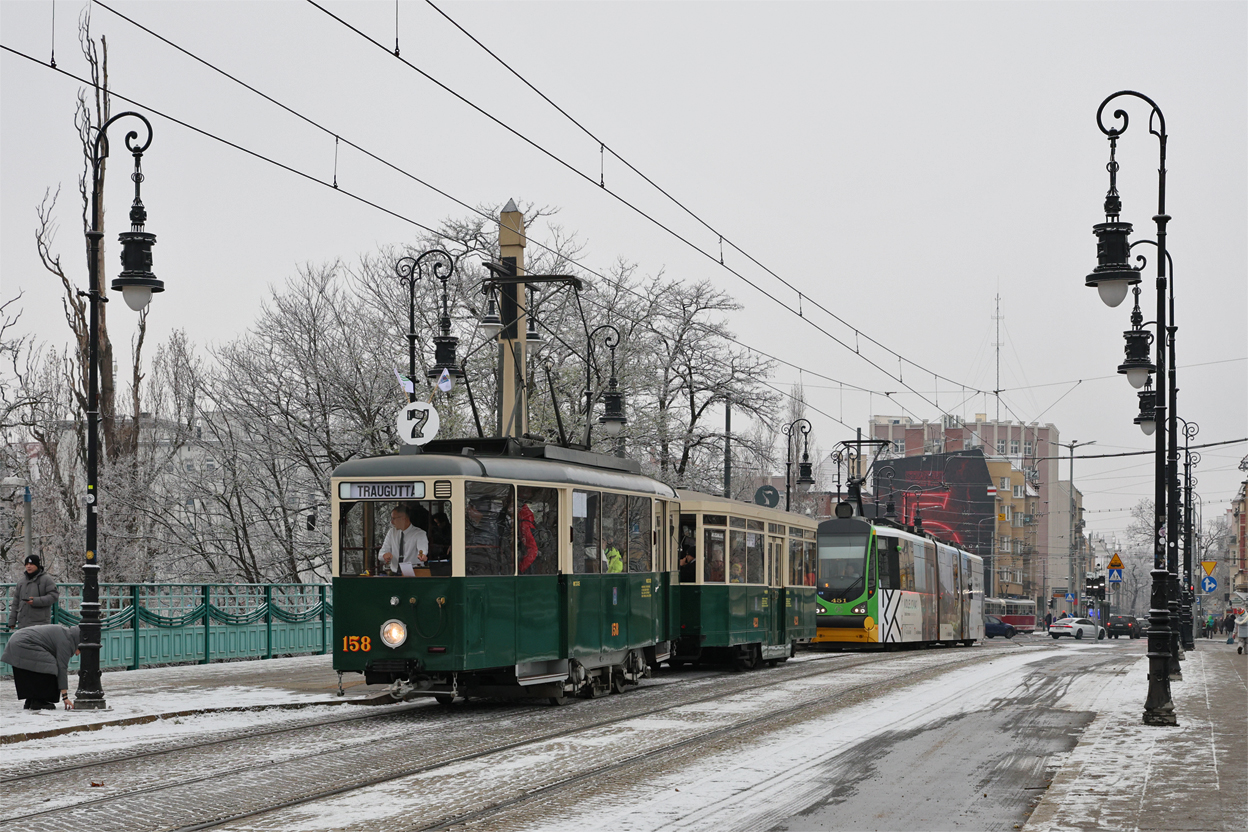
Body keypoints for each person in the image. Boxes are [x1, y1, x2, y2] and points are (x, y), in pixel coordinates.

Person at [1, 623, 81, 710]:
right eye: (80, 651)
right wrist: (65, 696)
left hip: (17, 641)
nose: (77, 654)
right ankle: (39, 701)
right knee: (51, 665)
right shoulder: (66, 642)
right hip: (22, 643)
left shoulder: (65, 634)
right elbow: (62, 668)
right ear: (78, 643)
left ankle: (32, 699)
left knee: (42, 665)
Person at [7, 555, 59, 631]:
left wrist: (36, 601)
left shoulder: (46, 579)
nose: (28, 566)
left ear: (37, 565)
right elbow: (16, 602)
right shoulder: (21, 582)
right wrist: (12, 620)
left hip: (40, 624)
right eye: (27, 564)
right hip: (23, 624)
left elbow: (54, 596)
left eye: (31, 564)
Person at [379, 505, 429, 574]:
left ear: (404, 518)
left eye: (394, 519)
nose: (391, 522)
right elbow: (381, 554)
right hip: (395, 573)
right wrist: (384, 555)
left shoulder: (419, 533)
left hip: (414, 574)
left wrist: (422, 555)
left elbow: (422, 550)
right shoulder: (391, 532)